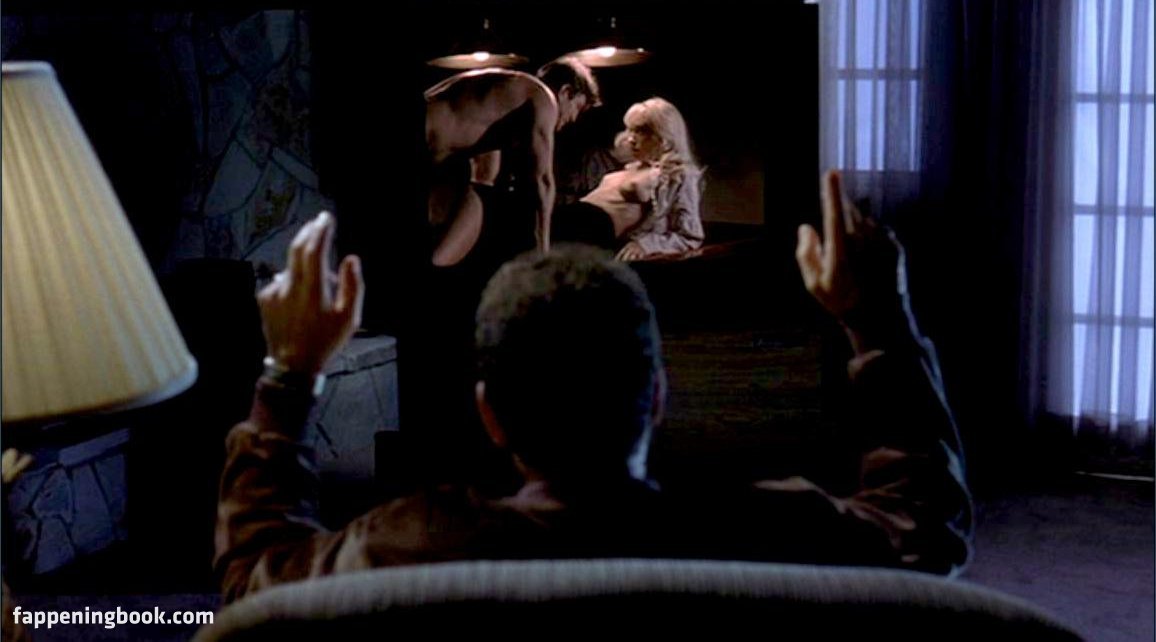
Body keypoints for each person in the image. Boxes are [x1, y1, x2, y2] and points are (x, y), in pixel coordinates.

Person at [214, 172, 973, 603]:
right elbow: (924, 530)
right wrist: (881, 323)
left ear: (489, 415)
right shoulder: (772, 531)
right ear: (658, 397)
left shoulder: (406, 547)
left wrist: (290, 374)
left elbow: (255, 581)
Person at [424, 58, 601, 267]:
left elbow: (485, 173)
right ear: (566, 92)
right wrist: (543, 252)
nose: (573, 119)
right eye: (578, 108)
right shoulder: (542, 96)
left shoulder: (506, 94)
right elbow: (542, 181)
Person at [552, 97, 705, 261]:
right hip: (570, 214)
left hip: (593, 227)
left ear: (663, 135)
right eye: (630, 130)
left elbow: (690, 235)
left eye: (641, 131)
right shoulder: (632, 167)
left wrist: (645, 245)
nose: (631, 138)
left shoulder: (678, 174)